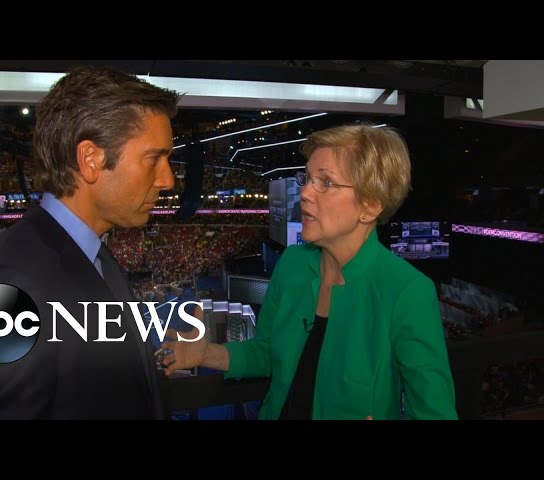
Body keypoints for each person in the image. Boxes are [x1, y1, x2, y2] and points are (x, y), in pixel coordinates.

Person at [162, 123, 458, 420]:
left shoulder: (407, 291)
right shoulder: (292, 264)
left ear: (370, 206)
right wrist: (207, 353)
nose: (303, 192)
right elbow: (267, 353)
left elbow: (435, 414)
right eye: (307, 178)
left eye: (326, 182)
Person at [0, 65, 179, 419]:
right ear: (91, 159)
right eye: (153, 158)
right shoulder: (8, 287)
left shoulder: (96, 256)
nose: (168, 180)